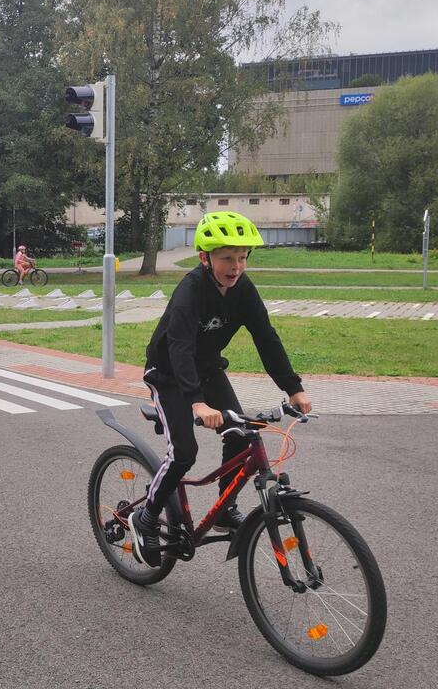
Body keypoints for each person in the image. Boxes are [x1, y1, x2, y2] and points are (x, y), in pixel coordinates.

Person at [129, 211, 312, 568]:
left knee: (242, 436)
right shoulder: (190, 290)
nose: (236, 266)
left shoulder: (243, 289)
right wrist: (197, 403)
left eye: (242, 257)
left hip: (208, 370)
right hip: (168, 375)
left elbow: (266, 338)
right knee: (184, 453)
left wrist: (294, 388)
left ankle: (225, 509)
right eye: (227, 258)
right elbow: (180, 347)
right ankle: (146, 517)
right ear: (205, 258)